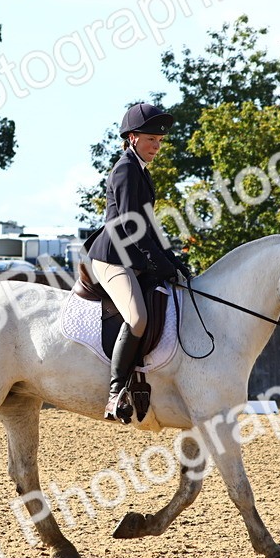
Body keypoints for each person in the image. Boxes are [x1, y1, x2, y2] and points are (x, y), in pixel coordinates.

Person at [86, 102, 190, 423]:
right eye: (151, 140)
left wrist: (172, 259)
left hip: (133, 258)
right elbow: (132, 228)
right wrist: (161, 264)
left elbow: (149, 228)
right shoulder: (126, 170)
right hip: (113, 258)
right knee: (138, 318)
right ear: (132, 138)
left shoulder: (141, 172)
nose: (157, 147)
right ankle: (115, 391)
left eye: (159, 142)